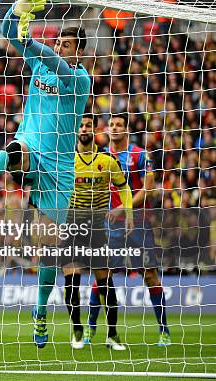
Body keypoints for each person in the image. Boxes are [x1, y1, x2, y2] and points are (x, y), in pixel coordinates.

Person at [0, 0, 91, 348]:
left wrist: (33, 40)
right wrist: (16, 13)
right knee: (15, 150)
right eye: (58, 41)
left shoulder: (79, 79)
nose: (58, 47)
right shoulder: (40, 64)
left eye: (66, 44)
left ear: (78, 52)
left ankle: (40, 313)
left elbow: (56, 64)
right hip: (30, 147)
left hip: (60, 170)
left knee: (48, 248)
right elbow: (8, 32)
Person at [86, 112, 171, 347]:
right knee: (102, 275)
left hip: (138, 223)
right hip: (108, 224)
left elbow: (148, 189)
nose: (114, 128)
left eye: (119, 125)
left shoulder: (140, 155)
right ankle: (90, 329)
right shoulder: (100, 157)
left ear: (126, 129)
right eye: (111, 125)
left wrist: (122, 208)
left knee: (149, 274)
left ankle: (164, 331)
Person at [60, 114, 131, 351]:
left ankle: (112, 334)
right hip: (71, 227)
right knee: (72, 280)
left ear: (95, 129)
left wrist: (128, 213)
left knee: (105, 282)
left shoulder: (107, 161)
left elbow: (124, 187)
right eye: (81, 125)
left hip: (96, 229)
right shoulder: (66, 160)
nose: (84, 128)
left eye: (88, 125)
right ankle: (77, 329)